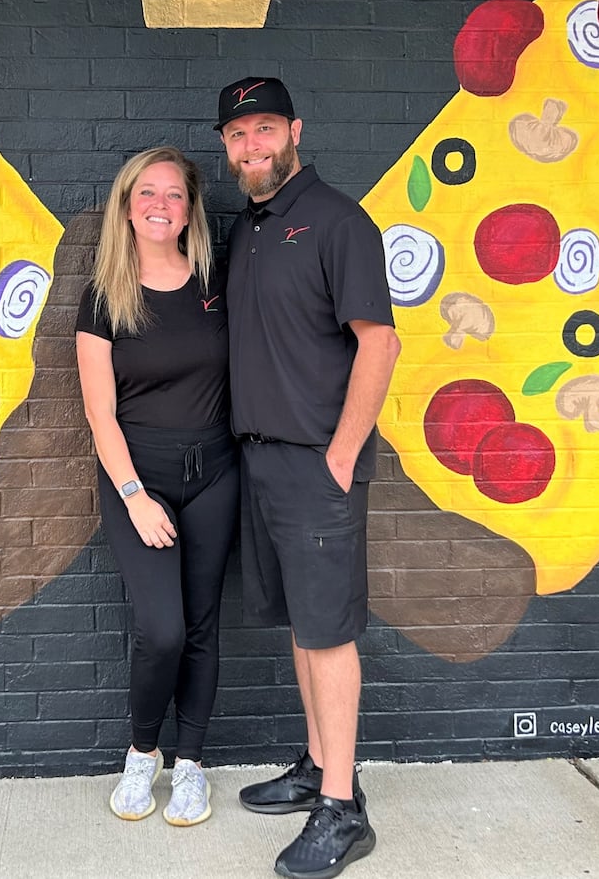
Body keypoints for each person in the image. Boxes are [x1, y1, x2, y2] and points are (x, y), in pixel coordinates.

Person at [217, 77, 400, 878]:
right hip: (263, 460)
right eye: (237, 136)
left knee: (328, 632)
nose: (252, 147)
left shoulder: (337, 221)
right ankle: (322, 764)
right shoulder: (250, 228)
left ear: (295, 129)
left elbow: (379, 343)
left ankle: (342, 809)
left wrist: (341, 453)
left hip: (317, 464)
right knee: (303, 623)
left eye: (264, 130)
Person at [76, 146, 238, 827]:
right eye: (148, 192)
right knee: (161, 629)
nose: (161, 204)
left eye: (174, 194)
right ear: (127, 204)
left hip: (216, 477)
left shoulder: (215, 283)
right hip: (138, 479)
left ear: (190, 208)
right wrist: (136, 494)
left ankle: (192, 764)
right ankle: (143, 751)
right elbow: (98, 411)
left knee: (201, 625)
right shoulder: (105, 295)